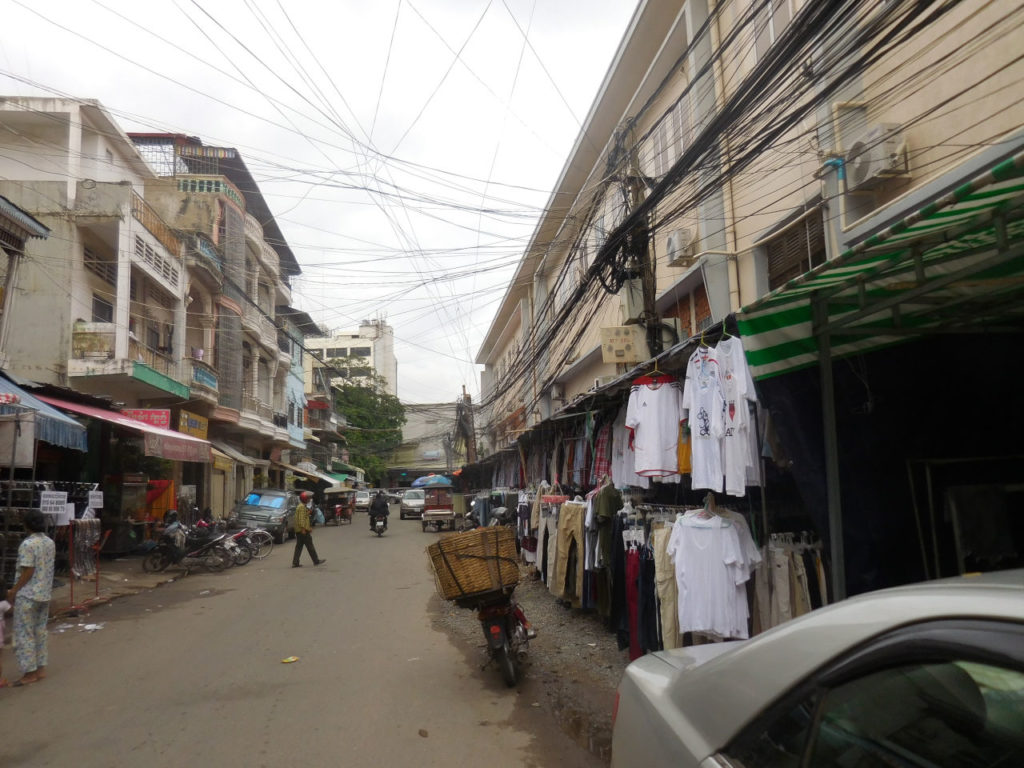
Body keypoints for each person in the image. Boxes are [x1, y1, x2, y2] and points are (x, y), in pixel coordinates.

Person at [6, 510, 55, 686]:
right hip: (44, 593)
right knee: (39, 631)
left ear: (26, 525)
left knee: (24, 633)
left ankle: (30, 672)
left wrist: (14, 590)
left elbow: (28, 570)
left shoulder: (27, 544)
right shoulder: (49, 542)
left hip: (28, 595)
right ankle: (40, 668)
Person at [292, 491, 325, 568]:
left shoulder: (301, 506)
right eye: (308, 498)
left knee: (299, 546)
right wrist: (304, 529)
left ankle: (295, 562)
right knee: (310, 546)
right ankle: (316, 561)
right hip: (302, 530)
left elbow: (303, 517)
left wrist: (308, 513)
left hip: (299, 530)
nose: (310, 500)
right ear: (305, 499)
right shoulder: (302, 507)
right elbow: (301, 520)